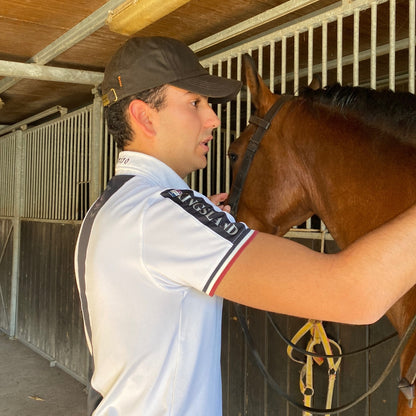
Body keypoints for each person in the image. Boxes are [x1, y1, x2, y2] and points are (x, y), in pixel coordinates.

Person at [74, 36, 416, 416]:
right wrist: (199, 220)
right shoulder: (164, 215)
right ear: (143, 116)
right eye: (194, 103)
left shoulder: (114, 206)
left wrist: (205, 217)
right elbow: (356, 293)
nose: (213, 119)